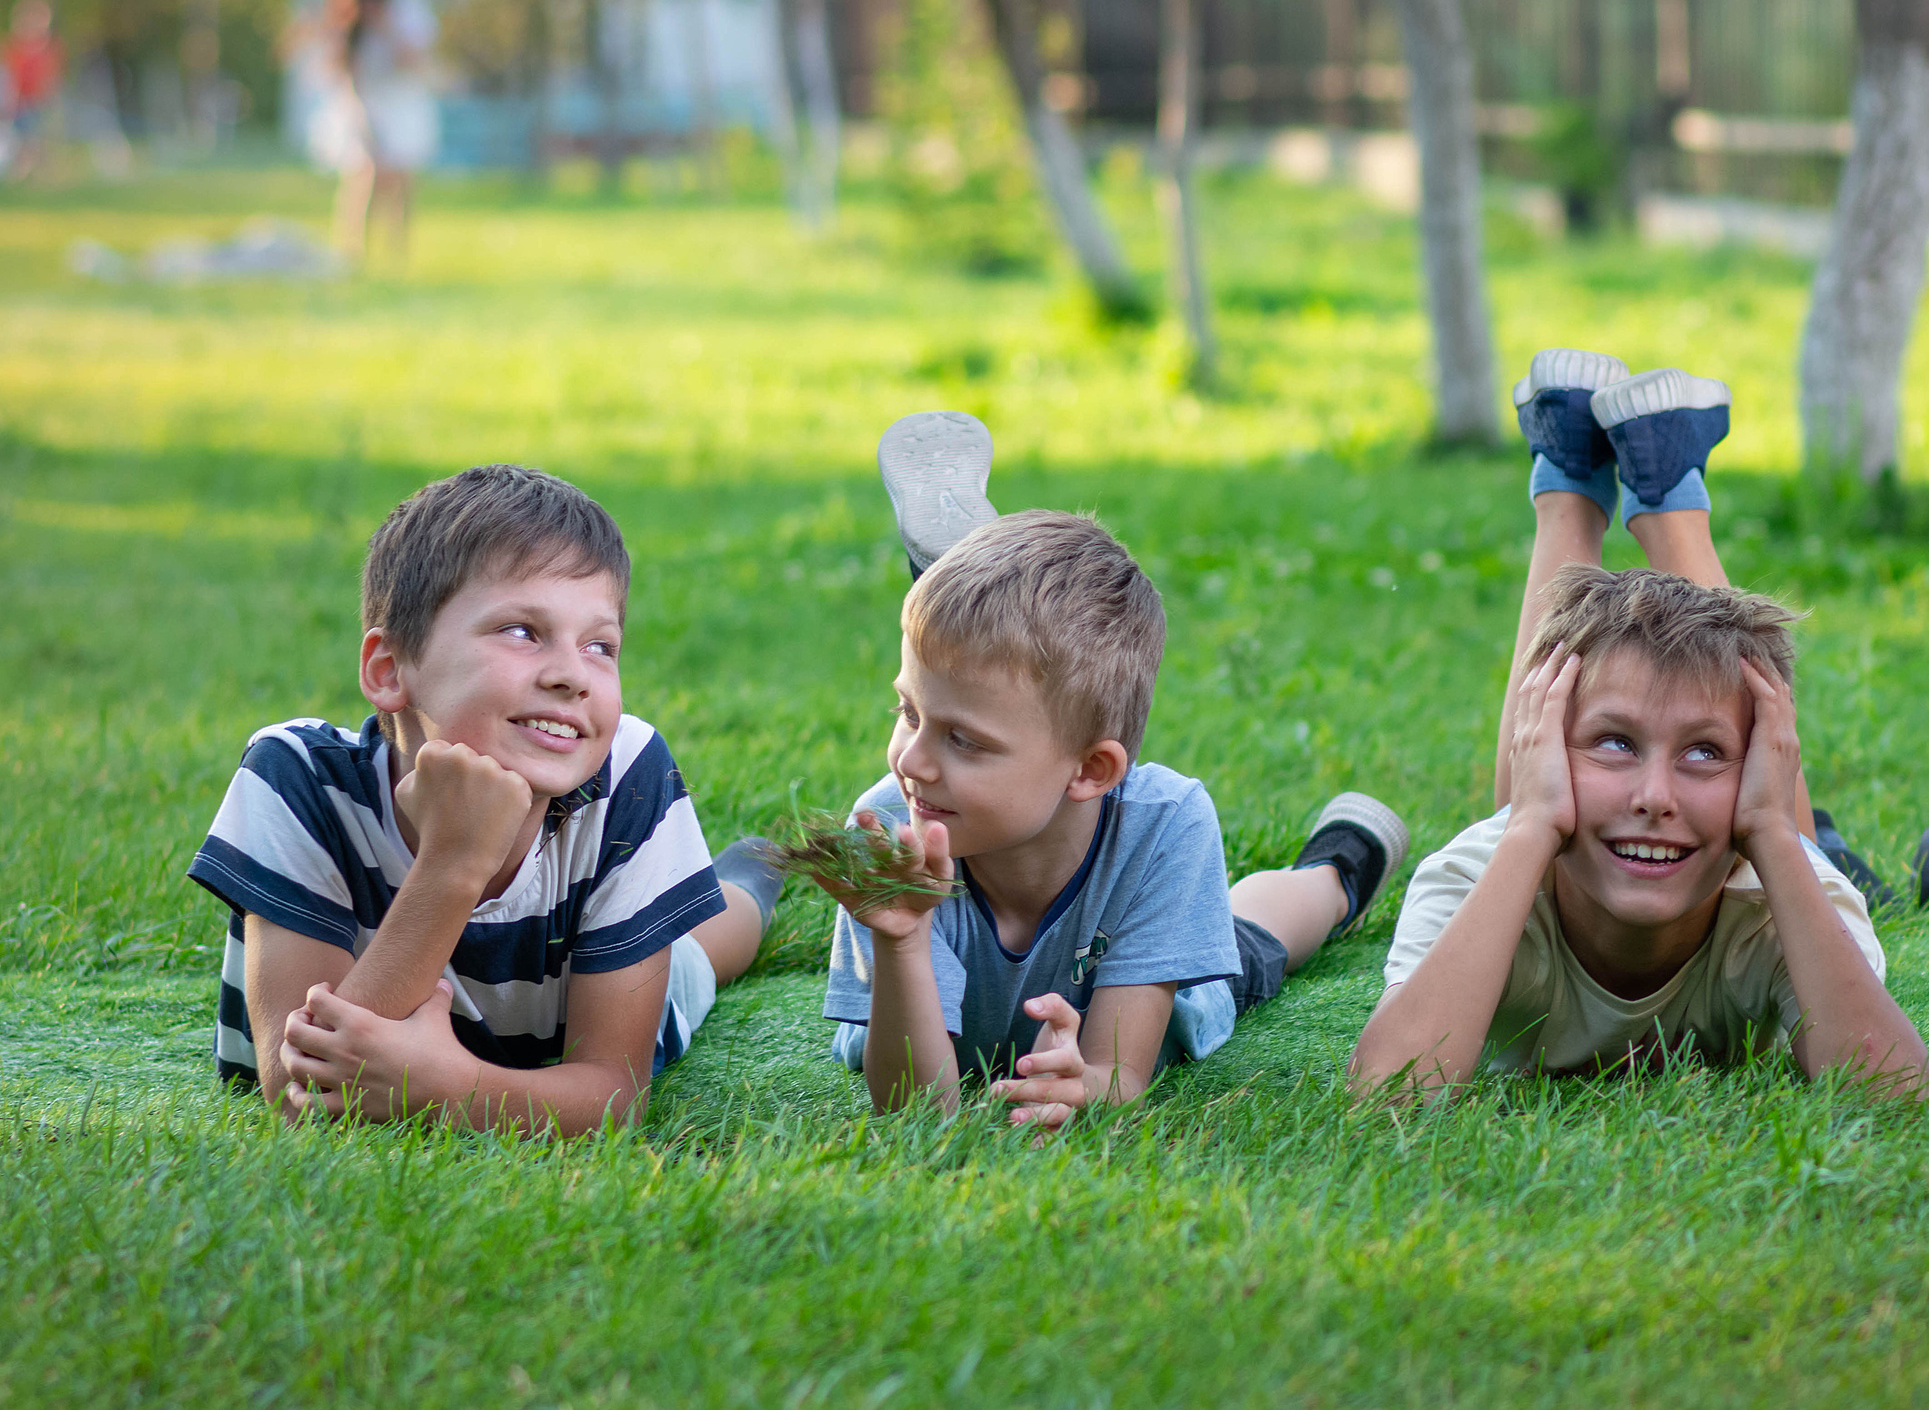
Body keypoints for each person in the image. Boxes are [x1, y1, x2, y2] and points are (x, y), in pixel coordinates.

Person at [1349, 354, 1929, 1096]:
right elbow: (1386, 1093)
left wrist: (1775, 834)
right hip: (1547, 848)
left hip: (1741, 859)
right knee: (1616, 711)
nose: (1655, 797)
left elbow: (1893, 1094)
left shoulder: (1790, 896)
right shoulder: (1473, 876)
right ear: (1541, 751)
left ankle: (1575, 482)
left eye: (1706, 753)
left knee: (1721, 702)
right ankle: (1661, 489)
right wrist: (1530, 828)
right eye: (1616, 743)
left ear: (1766, 766)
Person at [812, 412, 1409, 1132]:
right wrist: (901, 937)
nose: (910, 761)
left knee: (1248, 942)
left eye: (963, 739)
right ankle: (976, 583)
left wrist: (1087, 1084)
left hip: (1132, 961)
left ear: (1092, 770)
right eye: (907, 711)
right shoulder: (889, 833)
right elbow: (914, 1110)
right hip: (927, 1017)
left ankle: (1338, 867)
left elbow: (1119, 1076)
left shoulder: (1163, 824)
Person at [186, 465, 782, 1133]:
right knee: (687, 939)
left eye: (600, 645)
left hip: (587, 990)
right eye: (522, 631)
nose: (572, 675)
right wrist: (455, 862)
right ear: (389, 669)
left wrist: (444, 1088)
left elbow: (615, 1095)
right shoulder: (297, 779)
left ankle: (757, 870)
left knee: (699, 954)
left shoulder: (627, 774)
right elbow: (304, 1095)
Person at [292, 0, 440, 265]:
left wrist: (387, 29)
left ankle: (397, 253)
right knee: (364, 176)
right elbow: (336, 73)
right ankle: (354, 250)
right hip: (360, 107)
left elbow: (415, 64)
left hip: (400, 109)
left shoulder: (398, 26)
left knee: (400, 180)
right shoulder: (347, 30)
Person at [4, 0, 64, 181]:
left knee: (38, 138)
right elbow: (9, 76)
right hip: (19, 102)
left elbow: (53, 77)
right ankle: (22, 172)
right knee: (24, 138)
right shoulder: (13, 47)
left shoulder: (50, 47)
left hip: (40, 101)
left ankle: (37, 173)